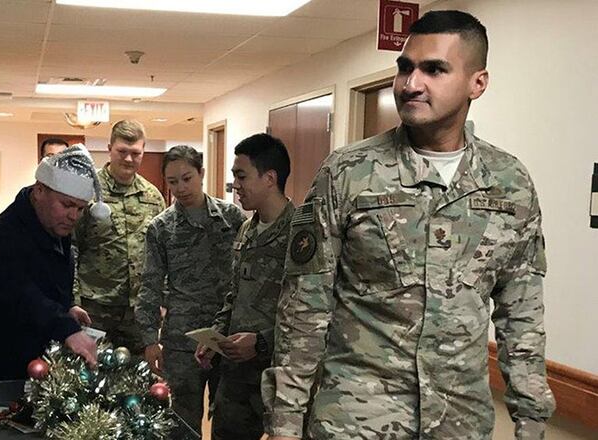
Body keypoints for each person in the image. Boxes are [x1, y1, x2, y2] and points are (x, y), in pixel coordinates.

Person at [263, 10, 555, 440]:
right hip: (355, 420)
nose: (411, 83)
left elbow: (521, 314)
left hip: (459, 422)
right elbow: (305, 308)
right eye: (405, 68)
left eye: (434, 69)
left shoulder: (509, 183)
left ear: (478, 82)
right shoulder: (349, 173)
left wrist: (531, 419)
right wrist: (284, 423)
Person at [0, 144, 104, 439]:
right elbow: (18, 293)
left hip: (26, 364)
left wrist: (66, 308)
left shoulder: (52, 225)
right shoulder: (6, 235)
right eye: (66, 205)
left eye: (80, 208)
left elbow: (43, 285)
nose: (73, 216)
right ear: (39, 191)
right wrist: (65, 328)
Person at [135, 145, 245, 429]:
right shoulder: (161, 228)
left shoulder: (231, 218)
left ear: (201, 174)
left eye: (187, 178)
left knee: (231, 419)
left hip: (228, 336)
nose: (180, 188)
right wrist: (149, 340)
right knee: (182, 422)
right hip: (182, 341)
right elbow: (150, 285)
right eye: (172, 182)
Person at [193, 134, 293, 440]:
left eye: (241, 176)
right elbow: (233, 294)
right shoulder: (247, 230)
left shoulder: (303, 232)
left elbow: (314, 314)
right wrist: (215, 337)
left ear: (269, 178)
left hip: (280, 376)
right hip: (236, 377)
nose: (234, 185)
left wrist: (262, 342)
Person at [72, 120, 165, 353]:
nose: (129, 159)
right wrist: (72, 300)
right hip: (94, 306)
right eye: (122, 151)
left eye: (136, 153)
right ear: (109, 148)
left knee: (137, 378)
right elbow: (70, 248)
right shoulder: (88, 191)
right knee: (89, 378)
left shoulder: (153, 197)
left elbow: (161, 254)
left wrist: (162, 300)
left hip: (138, 310)